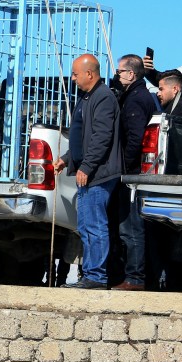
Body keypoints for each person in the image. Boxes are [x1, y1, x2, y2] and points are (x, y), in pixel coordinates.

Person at [54, 54, 121, 289]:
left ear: (89, 74)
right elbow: (82, 138)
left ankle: (97, 276)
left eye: (75, 73)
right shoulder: (86, 97)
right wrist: (66, 159)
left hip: (98, 174)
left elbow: (102, 137)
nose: (72, 78)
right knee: (84, 225)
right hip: (88, 172)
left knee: (94, 224)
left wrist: (87, 166)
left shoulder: (103, 97)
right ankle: (90, 274)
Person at [111, 55, 159, 291]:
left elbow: (134, 138)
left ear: (131, 74)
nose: (117, 76)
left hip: (132, 174)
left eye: (119, 72)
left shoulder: (135, 100)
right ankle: (135, 276)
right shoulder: (138, 96)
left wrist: (125, 167)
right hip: (133, 171)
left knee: (131, 228)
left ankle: (135, 278)